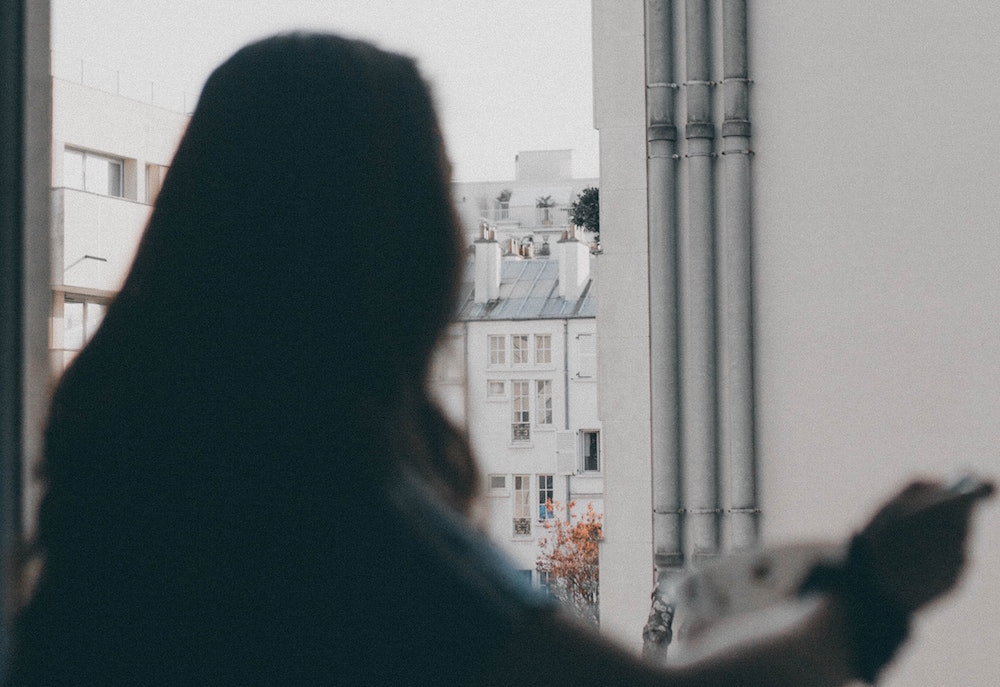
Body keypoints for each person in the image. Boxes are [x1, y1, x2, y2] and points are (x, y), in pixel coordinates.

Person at [9, 32, 991, 686]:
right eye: (434, 188)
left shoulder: (142, 490)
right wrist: (867, 596)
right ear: (382, 247)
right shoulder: (330, 514)